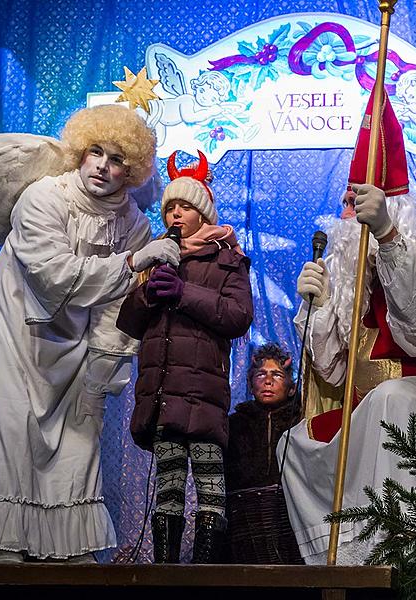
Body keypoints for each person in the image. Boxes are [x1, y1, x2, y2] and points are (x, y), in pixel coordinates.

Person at [279, 88, 416, 565]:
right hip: (367, 404)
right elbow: (335, 376)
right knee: (292, 443)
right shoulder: (347, 284)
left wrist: (386, 235)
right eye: (346, 203)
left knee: (392, 400)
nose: (350, 214)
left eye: (359, 201)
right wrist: (318, 309)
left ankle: (403, 551)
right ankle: (342, 556)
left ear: (393, 206)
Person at [0, 104, 181, 563]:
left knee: (78, 434)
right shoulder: (44, 197)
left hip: (75, 341)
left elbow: (119, 307)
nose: (102, 166)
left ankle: (66, 544)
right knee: (8, 432)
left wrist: (100, 371)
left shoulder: (134, 223)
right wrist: (133, 262)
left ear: (130, 171)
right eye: (95, 152)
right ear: (81, 151)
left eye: (117, 160)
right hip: (15, 331)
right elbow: (52, 276)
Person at [116, 150, 254, 564]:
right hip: (162, 393)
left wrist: (184, 293)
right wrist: (146, 294)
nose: (176, 215)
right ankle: (165, 570)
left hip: (203, 392)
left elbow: (237, 315)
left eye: (186, 207)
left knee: (210, 482)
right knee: (168, 485)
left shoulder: (227, 259)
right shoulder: (155, 255)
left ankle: (206, 571)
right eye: (170, 207)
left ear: (203, 213)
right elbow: (130, 321)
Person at [224, 343, 303, 564]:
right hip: (245, 523)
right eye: (261, 375)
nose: (268, 381)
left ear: (291, 388)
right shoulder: (235, 424)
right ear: (250, 384)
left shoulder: (301, 422)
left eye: (277, 375)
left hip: (289, 523)